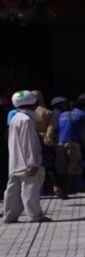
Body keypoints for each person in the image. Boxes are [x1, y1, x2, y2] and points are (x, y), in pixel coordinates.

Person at [4, 91, 48, 223]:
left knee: (12, 192)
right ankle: (35, 215)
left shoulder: (15, 118)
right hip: (26, 163)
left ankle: (9, 216)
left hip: (15, 162)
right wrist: (33, 163)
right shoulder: (27, 120)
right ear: (32, 103)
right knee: (30, 190)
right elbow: (29, 144)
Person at [54, 97, 85, 197]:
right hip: (73, 143)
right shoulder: (84, 114)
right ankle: (66, 189)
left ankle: (61, 187)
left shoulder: (62, 114)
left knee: (62, 167)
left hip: (60, 142)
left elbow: (58, 128)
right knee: (74, 166)